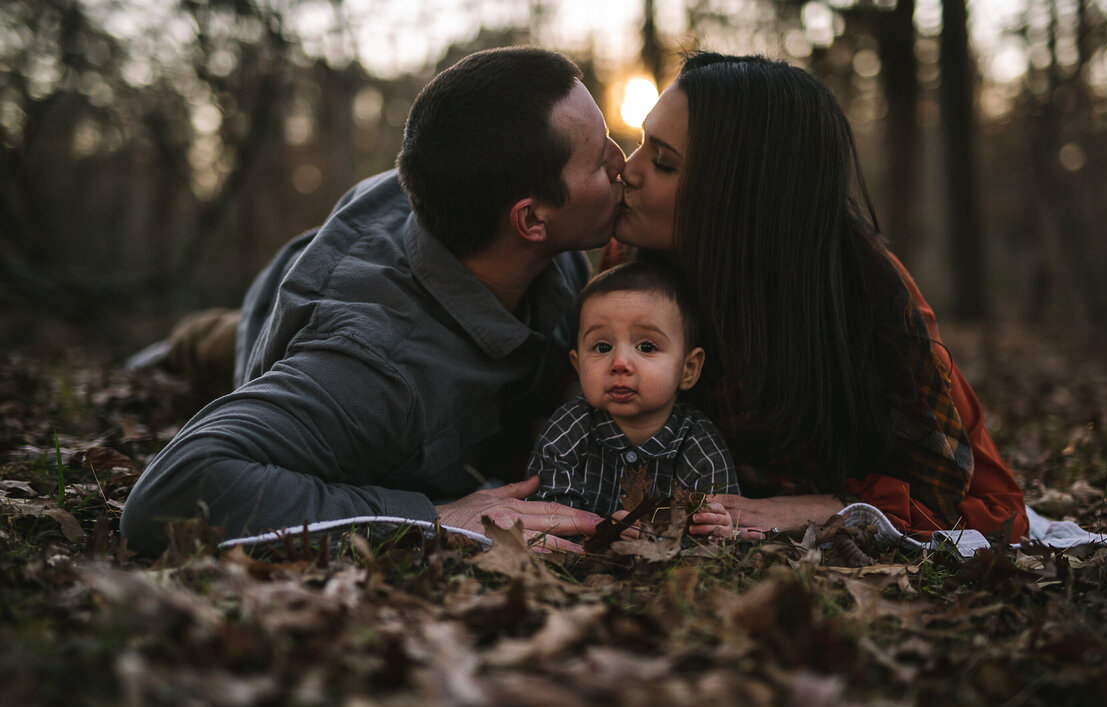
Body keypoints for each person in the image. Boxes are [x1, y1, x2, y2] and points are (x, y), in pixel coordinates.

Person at [119, 47, 626, 556]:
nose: (621, 161)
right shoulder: (371, 367)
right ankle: (180, 344)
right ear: (531, 221)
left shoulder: (528, 233)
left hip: (374, 270)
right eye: (600, 159)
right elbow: (167, 498)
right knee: (222, 339)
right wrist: (430, 518)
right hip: (307, 305)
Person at [611, 52, 1029, 544]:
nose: (627, 171)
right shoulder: (631, 268)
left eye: (662, 162)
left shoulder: (862, 290)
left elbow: (983, 507)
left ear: (744, 194)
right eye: (640, 145)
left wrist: (829, 507)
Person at [526, 260, 740, 538]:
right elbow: (549, 511)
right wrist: (597, 535)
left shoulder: (697, 443)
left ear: (688, 369)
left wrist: (713, 529)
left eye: (646, 346)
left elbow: (712, 522)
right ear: (578, 366)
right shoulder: (569, 429)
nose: (620, 363)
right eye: (602, 347)